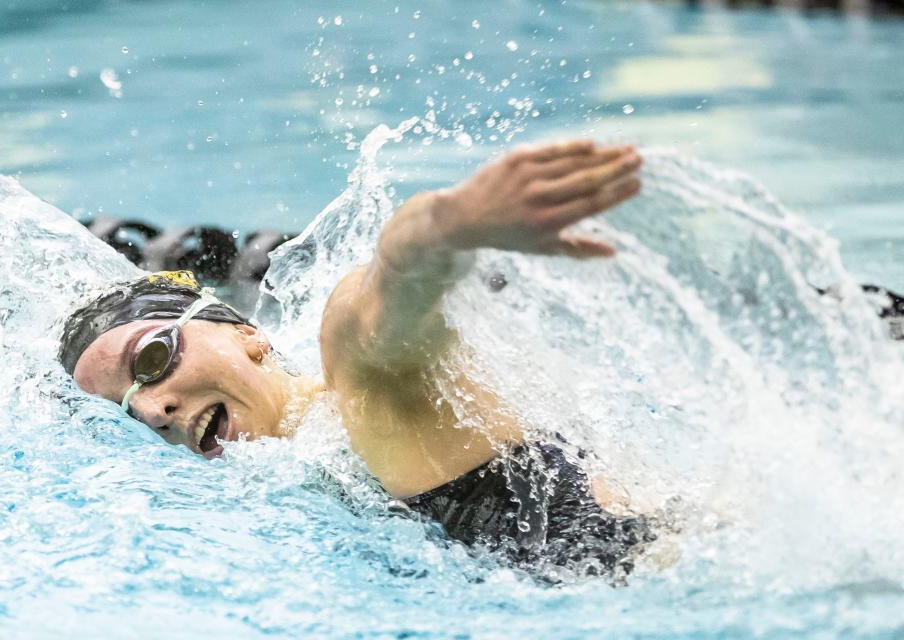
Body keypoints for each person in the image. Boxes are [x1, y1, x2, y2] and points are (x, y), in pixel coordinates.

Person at [59, 139, 654, 578]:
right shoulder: (309, 471)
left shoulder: (366, 387)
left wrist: (452, 222)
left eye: (154, 358)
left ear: (247, 334)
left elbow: (394, 277)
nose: (156, 409)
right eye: (129, 413)